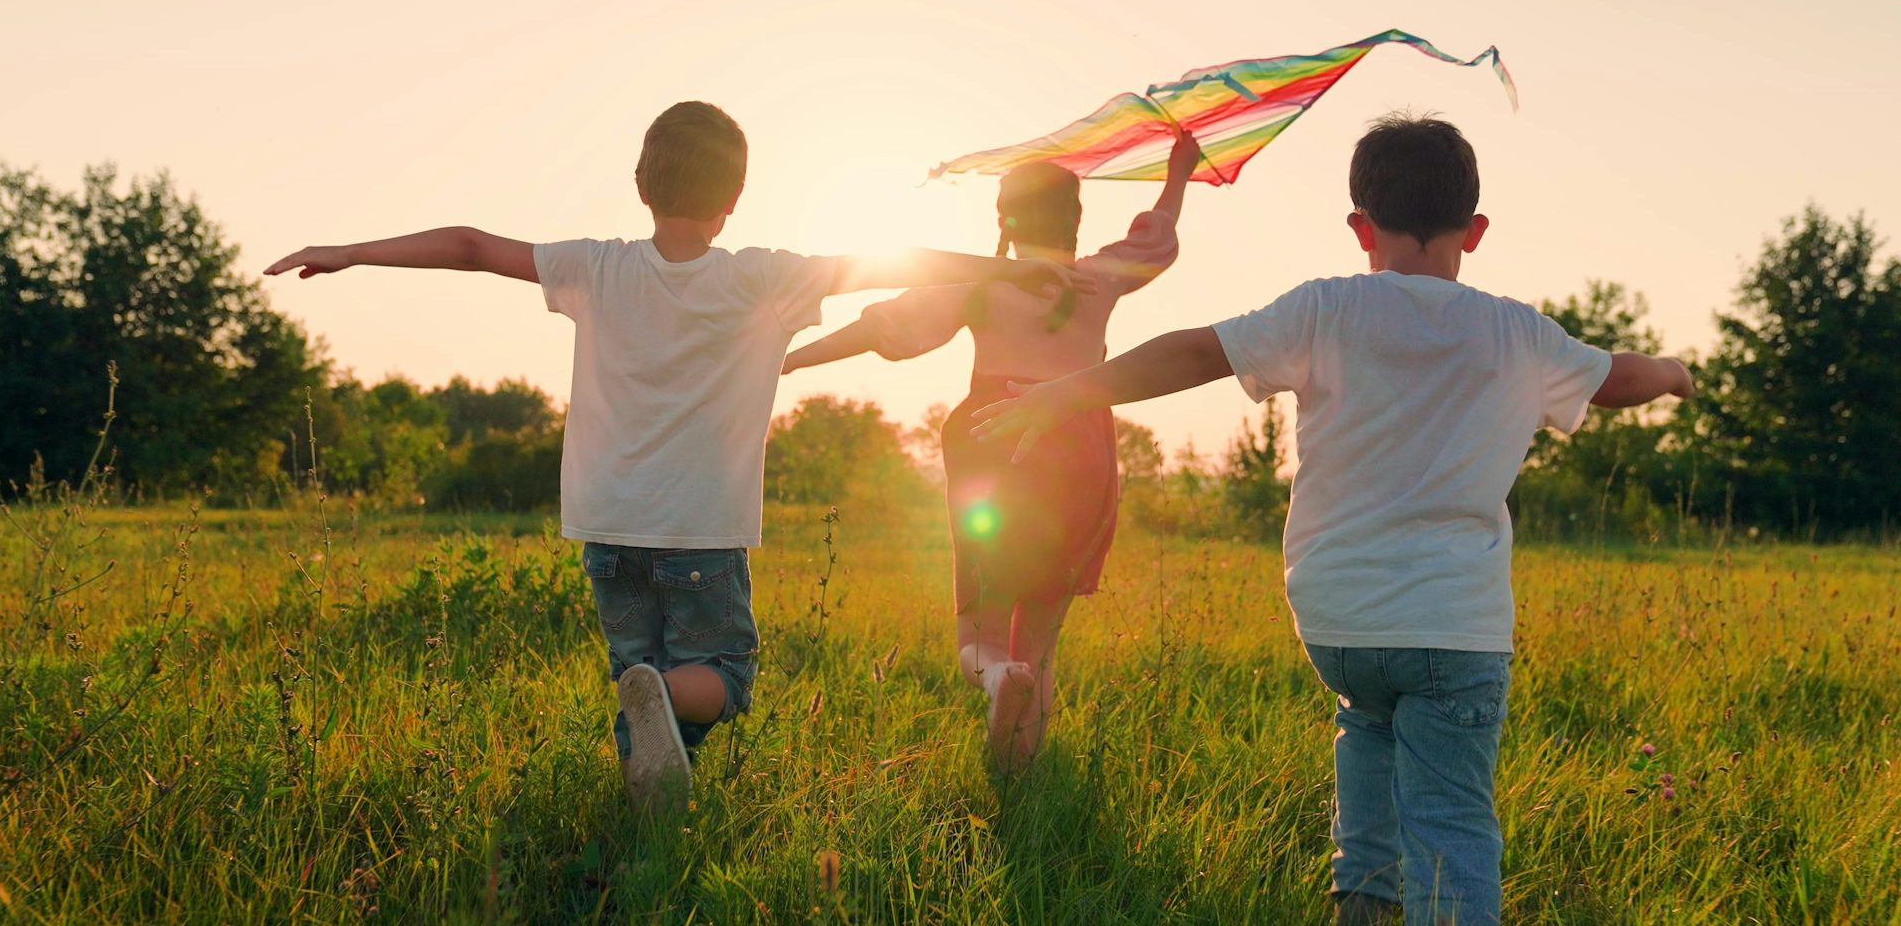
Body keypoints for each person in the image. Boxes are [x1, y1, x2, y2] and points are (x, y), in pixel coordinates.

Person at [265, 100, 1091, 813]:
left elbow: (474, 245)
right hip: (702, 532)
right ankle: (660, 713)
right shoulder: (765, 279)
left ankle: (652, 801)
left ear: (641, 183)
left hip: (608, 527)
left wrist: (352, 251)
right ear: (733, 200)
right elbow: (898, 265)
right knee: (722, 678)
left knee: (639, 669)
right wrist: (996, 265)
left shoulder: (596, 267)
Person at [972, 113, 1693, 924]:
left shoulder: (1324, 310)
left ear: (1361, 228)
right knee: (1450, 820)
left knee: (1369, 730)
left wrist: (1067, 388)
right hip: (1455, 628)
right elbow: (1615, 378)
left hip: (1340, 623)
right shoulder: (1515, 330)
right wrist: (1671, 371)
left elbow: (1193, 351)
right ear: (1476, 230)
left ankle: (1363, 904)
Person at [782, 131, 1202, 772]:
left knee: (978, 632)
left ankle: (997, 675)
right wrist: (1178, 173)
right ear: (1076, 218)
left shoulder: (980, 285)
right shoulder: (1099, 279)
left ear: (1003, 218)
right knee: (1042, 635)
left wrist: (784, 361)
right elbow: (1158, 237)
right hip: (1077, 444)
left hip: (990, 439)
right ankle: (1018, 766)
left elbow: (881, 329)